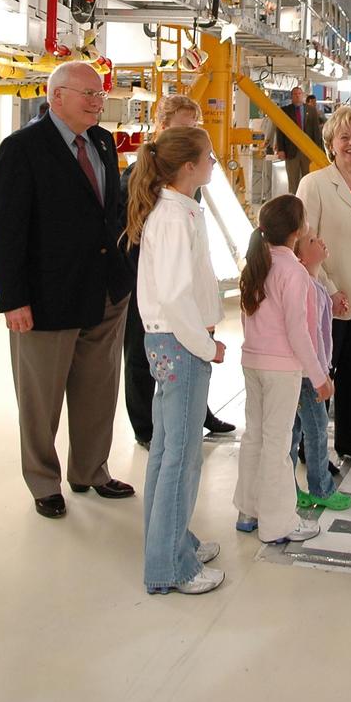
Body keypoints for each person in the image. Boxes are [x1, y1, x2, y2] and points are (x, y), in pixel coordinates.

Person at [0, 62, 134, 519]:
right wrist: (13, 300)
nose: (97, 100)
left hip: (104, 293)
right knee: (41, 398)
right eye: (87, 93)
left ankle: (91, 470)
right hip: (47, 298)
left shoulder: (104, 142)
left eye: (100, 93)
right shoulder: (21, 149)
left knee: (98, 389)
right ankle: (43, 481)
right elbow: (7, 230)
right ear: (56, 97)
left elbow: (110, 213)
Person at [126, 126, 227, 595]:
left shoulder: (180, 210)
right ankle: (170, 566)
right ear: (188, 166)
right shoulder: (172, 217)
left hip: (173, 342)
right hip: (181, 344)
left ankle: (169, 543)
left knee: (168, 451)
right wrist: (207, 346)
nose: (213, 162)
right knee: (181, 458)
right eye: (208, 156)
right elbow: (175, 295)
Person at [120, 94, 234, 448]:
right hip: (150, 281)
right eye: (184, 126)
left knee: (188, 358)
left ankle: (197, 411)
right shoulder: (145, 177)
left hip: (176, 277)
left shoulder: (184, 180)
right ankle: (146, 427)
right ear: (164, 126)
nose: (191, 133)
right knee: (141, 356)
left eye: (194, 127)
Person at [233, 195, 333, 544]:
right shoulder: (294, 271)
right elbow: (298, 331)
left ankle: (248, 510)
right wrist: (319, 377)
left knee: (254, 437)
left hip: (252, 363)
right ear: (297, 230)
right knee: (277, 445)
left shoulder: (255, 265)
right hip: (281, 371)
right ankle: (278, 523)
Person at [297, 105, 351, 465]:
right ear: (331, 143)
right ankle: (311, 447)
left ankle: (350, 441)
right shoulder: (314, 184)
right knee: (321, 376)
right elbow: (305, 241)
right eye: (344, 137)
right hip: (328, 297)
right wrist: (330, 289)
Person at [290, 230, 351, 512]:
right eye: (313, 241)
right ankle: (321, 488)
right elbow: (307, 335)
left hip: (310, 370)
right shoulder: (304, 286)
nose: (321, 240)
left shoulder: (315, 285)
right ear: (301, 257)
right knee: (314, 431)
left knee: (295, 430)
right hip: (308, 374)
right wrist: (320, 375)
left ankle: (289, 488)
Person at [276, 85, 323, 193]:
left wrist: (318, 150)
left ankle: (308, 198)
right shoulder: (285, 111)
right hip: (291, 150)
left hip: (308, 151)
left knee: (309, 177)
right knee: (293, 179)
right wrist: (281, 149)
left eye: (299, 94)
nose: (297, 96)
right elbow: (280, 131)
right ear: (291, 97)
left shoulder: (311, 110)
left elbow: (316, 131)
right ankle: (294, 200)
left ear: (303, 96)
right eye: (295, 94)